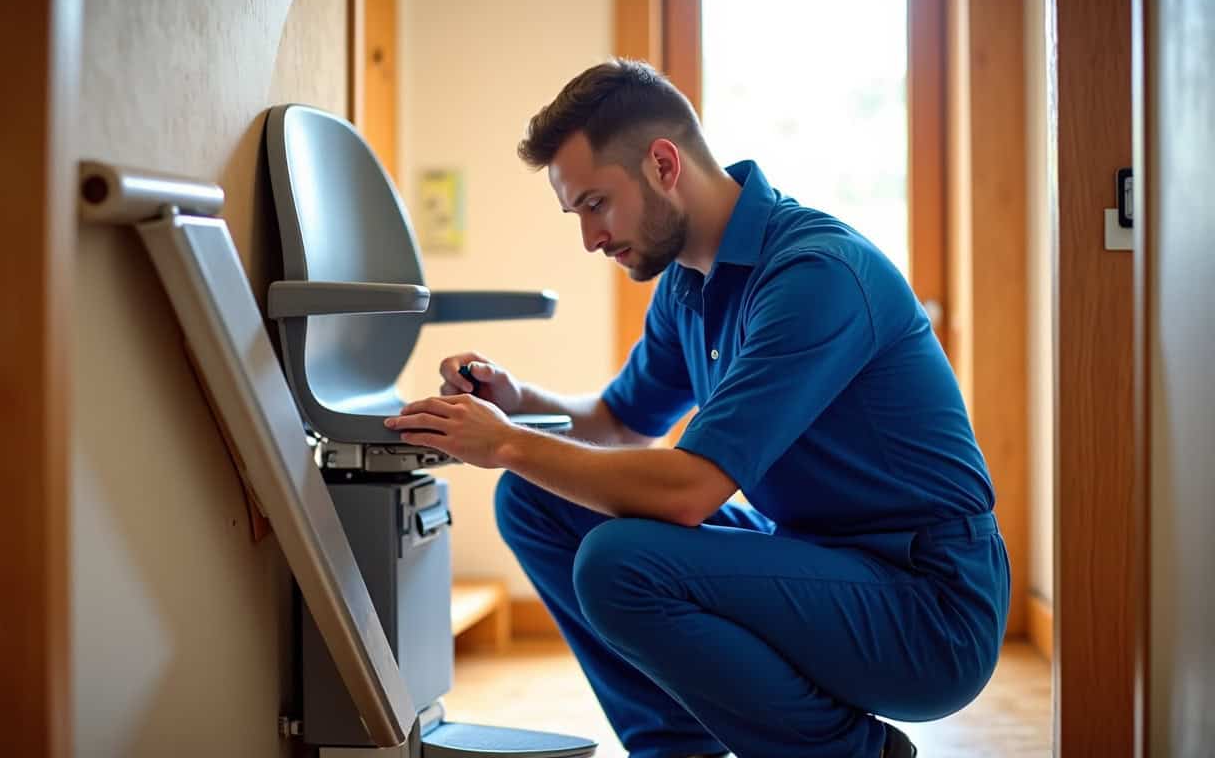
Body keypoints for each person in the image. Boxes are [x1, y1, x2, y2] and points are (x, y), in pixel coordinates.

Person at [384, 59, 1009, 758]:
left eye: (595, 204)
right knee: (536, 504)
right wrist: (518, 403)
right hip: (816, 558)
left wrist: (506, 444)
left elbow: (687, 493)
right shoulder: (688, 285)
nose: (590, 238)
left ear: (661, 164)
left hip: (928, 608)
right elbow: (621, 422)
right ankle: (679, 751)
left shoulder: (814, 274)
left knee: (620, 563)